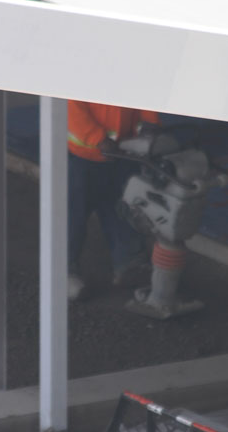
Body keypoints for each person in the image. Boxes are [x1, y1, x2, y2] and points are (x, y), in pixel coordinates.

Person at [67, 100, 159, 301]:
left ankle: (130, 264)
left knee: (123, 210)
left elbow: (145, 88)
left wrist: (151, 123)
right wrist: (99, 139)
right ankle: (64, 271)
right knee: (73, 215)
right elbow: (72, 107)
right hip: (85, 157)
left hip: (123, 153)